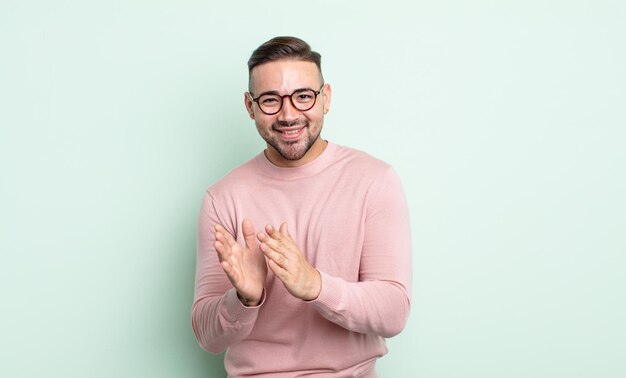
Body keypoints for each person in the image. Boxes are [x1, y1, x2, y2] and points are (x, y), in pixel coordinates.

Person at [192, 36, 412, 377]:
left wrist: (316, 286)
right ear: (250, 107)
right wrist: (245, 300)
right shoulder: (223, 197)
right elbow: (208, 336)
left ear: (325, 98)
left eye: (303, 96)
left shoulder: (374, 180)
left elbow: (394, 312)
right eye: (270, 100)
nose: (288, 114)